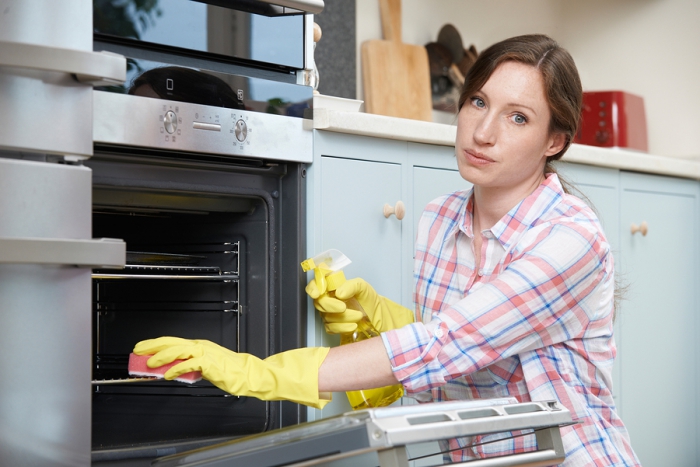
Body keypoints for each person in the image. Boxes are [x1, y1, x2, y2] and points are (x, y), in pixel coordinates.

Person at [134, 34, 640, 466]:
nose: (483, 132)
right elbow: (467, 347)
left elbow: (446, 345)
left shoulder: (571, 239)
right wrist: (378, 317)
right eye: (479, 102)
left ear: (555, 140)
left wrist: (262, 372)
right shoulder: (441, 220)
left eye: (519, 118)